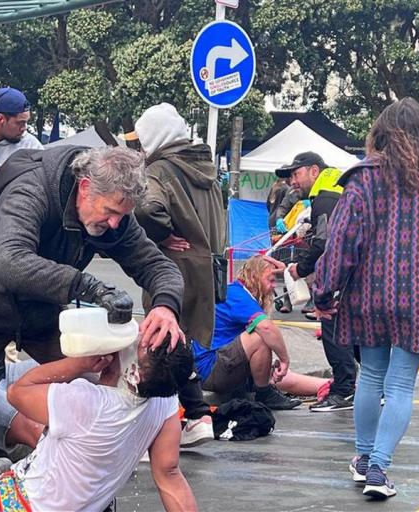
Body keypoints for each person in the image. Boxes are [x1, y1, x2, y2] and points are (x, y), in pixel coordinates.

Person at [0, 145, 185, 432]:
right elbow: (10, 260)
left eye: (122, 215)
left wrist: (166, 305)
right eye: (110, 212)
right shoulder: (32, 189)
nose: (115, 223)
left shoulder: (113, 212)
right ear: (85, 187)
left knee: (97, 379)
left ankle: (72, 459)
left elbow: (157, 264)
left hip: (42, 312)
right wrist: (87, 286)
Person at [0, 337, 197, 512]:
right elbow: (169, 474)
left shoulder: (88, 403)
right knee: (4, 461)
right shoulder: (163, 400)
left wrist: (76, 365)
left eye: (138, 342)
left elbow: (19, 393)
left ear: (134, 374)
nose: (134, 335)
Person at [313, 97, 419, 499]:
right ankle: (379, 469)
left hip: (369, 294)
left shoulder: (362, 180)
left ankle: (364, 460)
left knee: (371, 377)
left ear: (379, 134)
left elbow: (342, 240)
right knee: (400, 385)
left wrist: (324, 290)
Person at [132, 102, 225, 446]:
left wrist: (161, 234)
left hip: (173, 266)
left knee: (158, 346)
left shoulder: (159, 170)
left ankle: (155, 430)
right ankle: (197, 415)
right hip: (207, 267)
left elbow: (146, 207)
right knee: (179, 344)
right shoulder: (205, 166)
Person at [276, 151, 357, 412]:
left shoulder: (325, 198)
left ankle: (345, 391)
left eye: (296, 174)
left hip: (344, 278)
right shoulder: (337, 190)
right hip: (358, 274)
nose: (292, 182)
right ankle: (367, 388)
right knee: (354, 334)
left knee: (332, 328)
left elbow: (324, 243)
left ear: (314, 170)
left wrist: (299, 269)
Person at [193, 255, 325, 410]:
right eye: (270, 280)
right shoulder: (236, 294)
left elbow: (284, 378)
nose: (273, 286)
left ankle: (327, 385)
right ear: (254, 277)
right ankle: (263, 393)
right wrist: (284, 359)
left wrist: (327, 386)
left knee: (273, 371)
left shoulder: (241, 295)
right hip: (211, 368)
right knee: (261, 338)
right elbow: (266, 328)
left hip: (220, 365)